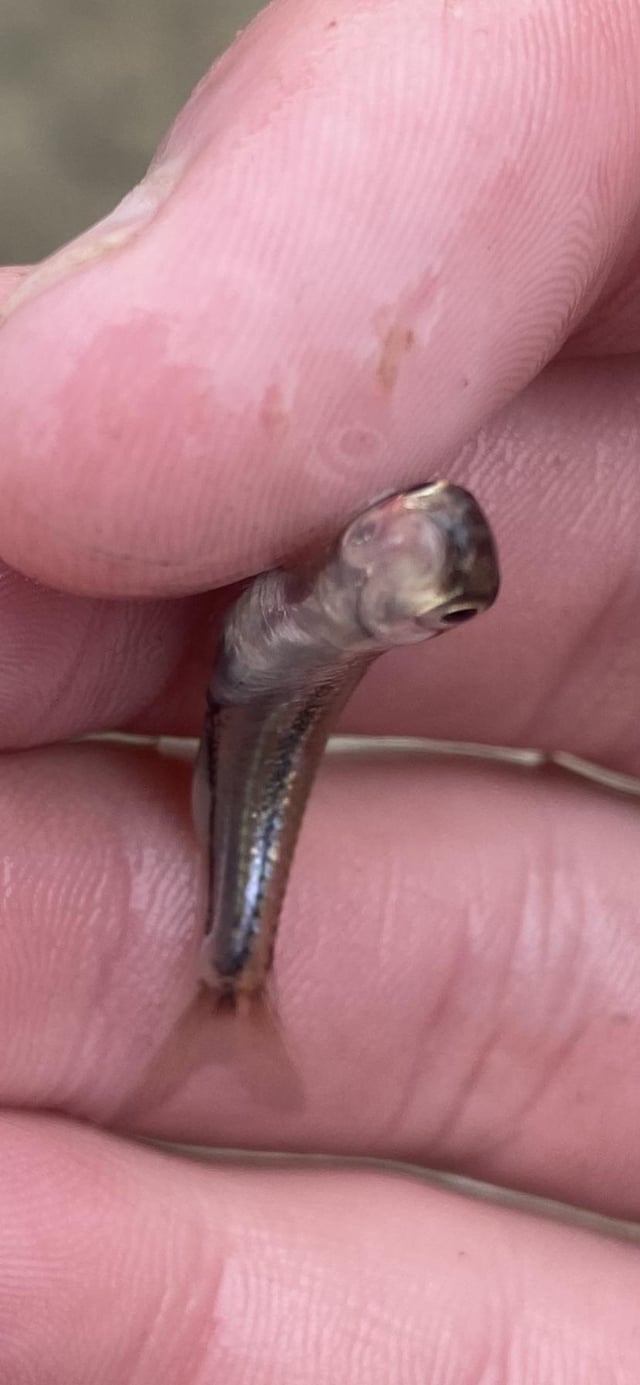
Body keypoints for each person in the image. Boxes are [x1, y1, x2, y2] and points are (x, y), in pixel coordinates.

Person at [1, 1, 640, 1378]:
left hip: (260, 695)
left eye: (437, 587)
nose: (414, 545)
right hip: (244, 667)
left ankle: (234, 973)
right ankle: (235, 979)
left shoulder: (338, 620)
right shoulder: (337, 549)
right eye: (425, 528)